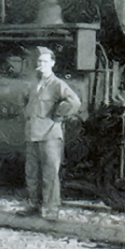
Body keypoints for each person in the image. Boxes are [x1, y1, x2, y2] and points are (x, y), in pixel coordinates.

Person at [19, 47, 81, 220]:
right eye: (40, 62)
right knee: (31, 173)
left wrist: (59, 114)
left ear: (53, 64)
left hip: (49, 136)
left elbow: (75, 102)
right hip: (32, 134)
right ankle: (34, 204)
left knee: (50, 175)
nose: (42, 65)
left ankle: (51, 209)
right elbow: (26, 103)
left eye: (45, 62)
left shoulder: (57, 84)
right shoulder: (34, 85)